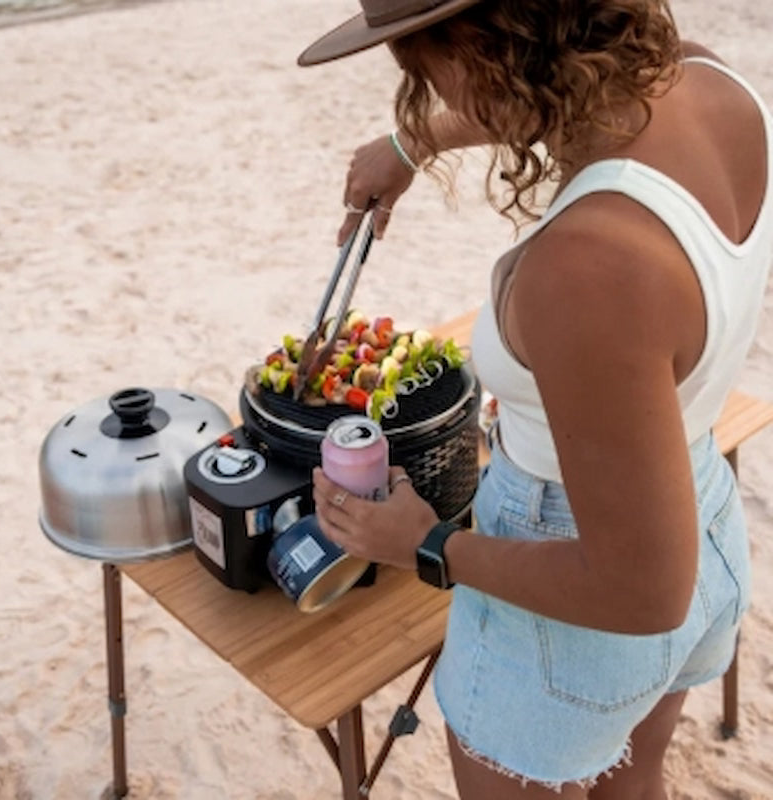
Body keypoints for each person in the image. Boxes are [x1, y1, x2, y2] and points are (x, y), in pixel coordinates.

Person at [301, 1, 773, 797]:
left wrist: (425, 543)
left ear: (487, 48)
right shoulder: (708, 81)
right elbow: (561, 96)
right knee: (637, 781)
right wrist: (409, 142)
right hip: (702, 516)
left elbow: (639, 590)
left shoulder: (586, 264)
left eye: (423, 65)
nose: (425, 86)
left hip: (577, 590)